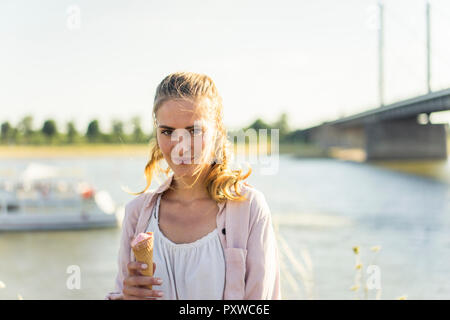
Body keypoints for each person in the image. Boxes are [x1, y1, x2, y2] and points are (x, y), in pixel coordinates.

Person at [105, 71, 281, 300]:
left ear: (217, 132)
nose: (180, 147)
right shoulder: (136, 214)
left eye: (193, 131)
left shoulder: (249, 209)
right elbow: (120, 292)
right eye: (167, 131)